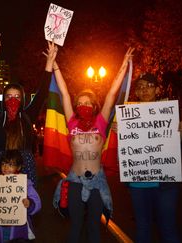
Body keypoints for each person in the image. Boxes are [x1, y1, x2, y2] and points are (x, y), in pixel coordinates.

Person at [52, 48, 134, 243]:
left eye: (87, 102)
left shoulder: (101, 123)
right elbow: (64, 93)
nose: (83, 105)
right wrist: (55, 65)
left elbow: (112, 93)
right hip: (74, 180)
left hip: (97, 181)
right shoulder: (71, 122)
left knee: (94, 227)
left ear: (94, 105)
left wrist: (123, 65)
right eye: (79, 103)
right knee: (76, 225)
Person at [0, 34, 58, 186]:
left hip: (26, 171)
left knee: (25, 207)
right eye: (9, 96)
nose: (13, 100)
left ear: (22, 100)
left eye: (17, 96)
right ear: (4, 99)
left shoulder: (28, 116)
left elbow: (42, 92)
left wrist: (50, 62)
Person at [128, 73, 182, 243]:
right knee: (142, 228)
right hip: (138, 182)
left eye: (149, 85)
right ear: (136, 93)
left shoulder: (169, 114)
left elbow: (180, 148)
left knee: (168, 228)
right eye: (140, 87)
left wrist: (180, 134)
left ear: (158, 90)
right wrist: (121, 132)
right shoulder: (128, 116)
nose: (144, 89)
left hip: (166, 182)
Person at [0, 150, 41, 243]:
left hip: (19, 232)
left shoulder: (24, 183)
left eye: (10, 164)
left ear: (19, 167)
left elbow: (37, 203)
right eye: (3, 163)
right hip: (1, 230)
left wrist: (30, 203)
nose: (6, 167)